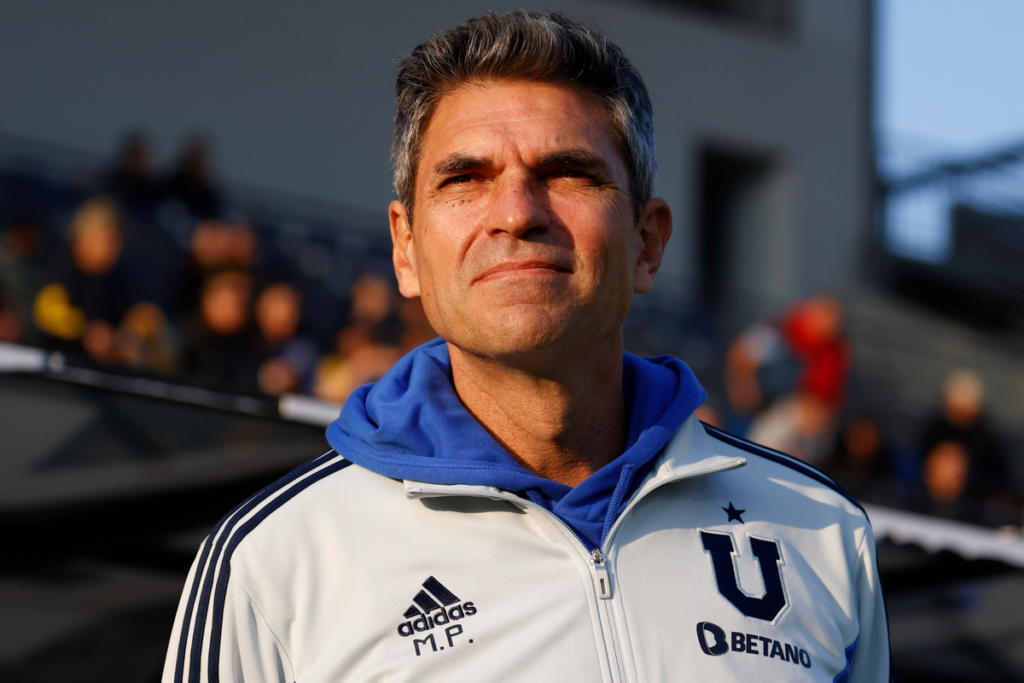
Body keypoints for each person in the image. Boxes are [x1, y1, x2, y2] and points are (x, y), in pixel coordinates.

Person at [163, 12, 890, 682]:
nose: (516, 212)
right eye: (465, 179)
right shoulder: (274, 563)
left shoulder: (821, 529)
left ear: (647, 242)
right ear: (406, 249)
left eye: (568, 173)